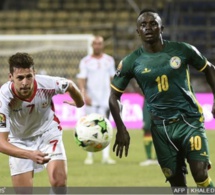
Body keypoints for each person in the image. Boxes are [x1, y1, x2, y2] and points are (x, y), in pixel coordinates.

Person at [109, 9, 215, 188]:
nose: (148, 28)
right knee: (177, 185)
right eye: (143, 25)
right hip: (161, 129)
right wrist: (121, 128)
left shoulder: (182, 49)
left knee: (200, 174)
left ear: (161, 28)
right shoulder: (131, 62)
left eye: (153, 24)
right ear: (138, 31)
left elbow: (209, 68)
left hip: (189, 121)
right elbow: (114, 97)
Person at [0, 52, 84, 194]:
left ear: (34, 73)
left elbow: (70, 85)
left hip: (48, 133)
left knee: (59, 183)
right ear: (11, 78)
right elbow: (1, 143)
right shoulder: (4, 98)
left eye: (29, 76)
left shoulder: (47, 83)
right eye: (20, 78)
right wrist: (29, 154)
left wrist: (79, 103)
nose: (25, 82)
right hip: (19, 140)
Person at [77, 35, 116, 165]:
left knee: (106, 128)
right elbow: (81, 79)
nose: (97, 46)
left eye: (100, 43)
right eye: (95, 43)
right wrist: (84, 94)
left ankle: (106, 156)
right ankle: (90, 156)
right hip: (91, 99)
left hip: (105, 99)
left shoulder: (109, 60)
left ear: (103, 45)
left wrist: (114, 95)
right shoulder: (85, 61)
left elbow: (112, 78)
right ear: (92, 45)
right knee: (89, 128)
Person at [139, 100, 158, 166]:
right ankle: (149, 158)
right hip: (148, 99)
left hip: (160, 99)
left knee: (159, 130)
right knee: (147, 129)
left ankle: (158, 159)